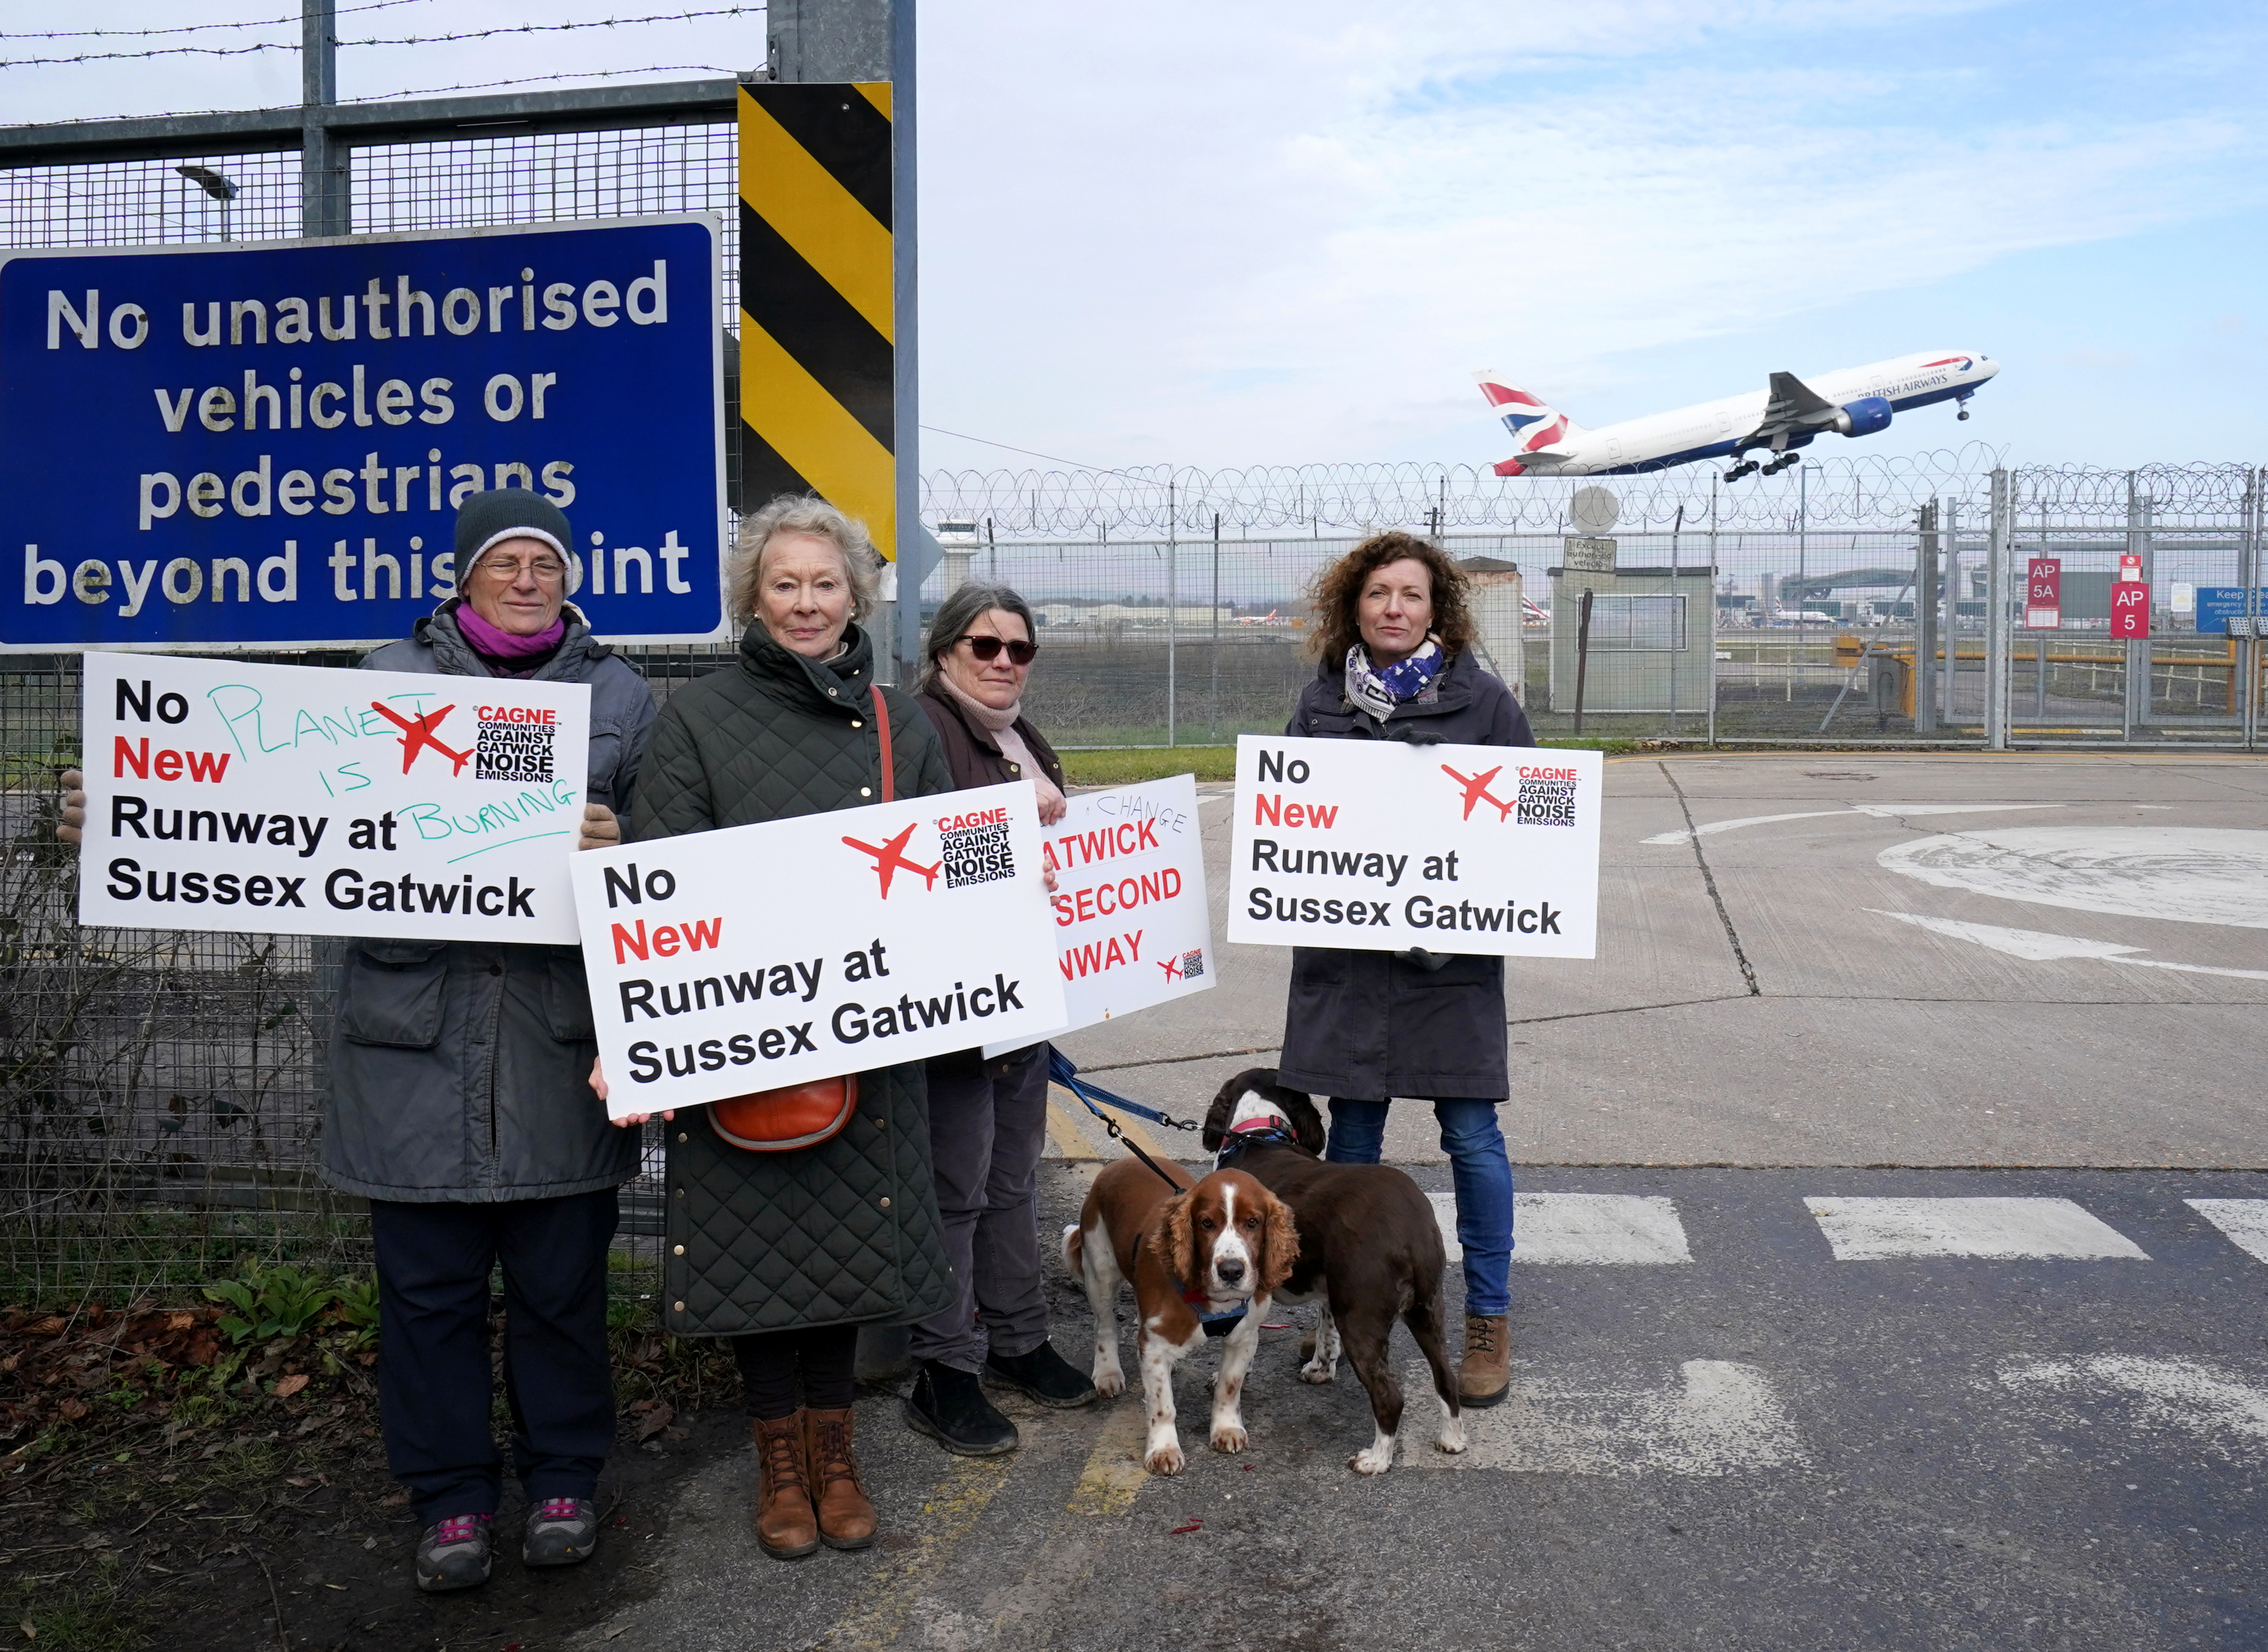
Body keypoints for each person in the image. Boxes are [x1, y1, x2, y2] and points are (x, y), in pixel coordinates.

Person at [58, 488, 659, 1594]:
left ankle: (565, 1479)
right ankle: (451, 1500)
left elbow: (679, 856)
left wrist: (624, 842)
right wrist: (128, 810)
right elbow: (267, 806)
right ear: (463, 575)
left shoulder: (620, 698)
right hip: (408, 1046)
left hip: (553, 1039)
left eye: (545, 563)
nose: (528, 580)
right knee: (426, 1296)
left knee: (561, 1288)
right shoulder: (383, 686)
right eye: (505, 562)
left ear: (570, 577)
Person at [613, 495, 958, 1562]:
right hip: (745, 1039)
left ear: (857, 593)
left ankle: (837, 1454)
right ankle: (779, 1460)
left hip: (872, 1030)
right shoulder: (698, 720)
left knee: (847, 1250)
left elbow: (952, 865)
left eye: (825, 583)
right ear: (752, 600)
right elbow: (668, 880)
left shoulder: (903, 722)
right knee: (758, 1255)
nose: (806, 603)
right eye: (784, 584)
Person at [1276, 530, 1535, 1409]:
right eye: (1379, 593)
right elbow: (1291, 827)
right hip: (1353, 970)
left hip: (1448, 970)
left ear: (1438, 609)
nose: (1394, 608)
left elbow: (1536, 827)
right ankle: (1343, 1314)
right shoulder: (1318, 707)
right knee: (1350, 1150)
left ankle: (1487, 1322)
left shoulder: (1486, 705)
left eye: (1411, 595)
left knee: (1472, 1137)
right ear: (1354, 606)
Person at [901, 583, 1097, 1455]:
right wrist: (1015, 824)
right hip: (953, 1004)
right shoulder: (921, 731)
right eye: (985, 646)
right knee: (957, 1187)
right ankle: (944, 1369)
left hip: (1023, 1002)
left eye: (1020, 649)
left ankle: (1017, 1339)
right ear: (946, 652)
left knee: (1014, 1177)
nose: (1004, 662)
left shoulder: (1022, 736)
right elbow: (915, 851)